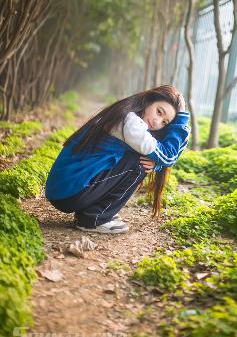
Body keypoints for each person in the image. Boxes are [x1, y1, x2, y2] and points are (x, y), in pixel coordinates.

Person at [45, 85, 190, 234]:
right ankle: (94, 218)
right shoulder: (131, 125)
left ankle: (92, 212)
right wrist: (182, 118)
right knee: (139, 163)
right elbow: (169, 155)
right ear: (148, 101)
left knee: (141, 160)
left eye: (164, 122)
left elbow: (164, 157)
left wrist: (157, 165)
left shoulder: (127, 115)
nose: (156, 121)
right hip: (68, 193)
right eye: (159, 112)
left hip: (64, 189)